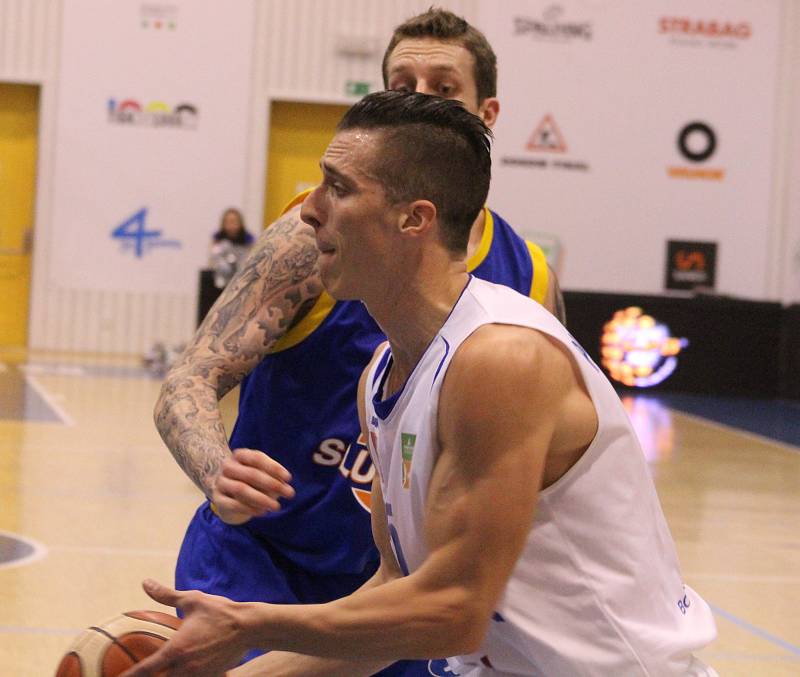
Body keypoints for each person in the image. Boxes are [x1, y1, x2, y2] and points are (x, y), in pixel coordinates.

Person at [124, 91, 717, 677]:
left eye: (339, 188)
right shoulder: (381, 375)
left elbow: (452, 612)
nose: (309, 210)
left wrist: (250, 624)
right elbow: (397, 595)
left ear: (415, 219)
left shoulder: (500, 358)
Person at [154, 9, 563, 674]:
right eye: (402, 83)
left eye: (443, 86)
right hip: (263, 560)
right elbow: (191, 374)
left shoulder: (527, 279)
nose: (419, 100)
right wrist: (213, 464)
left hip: (400, 588)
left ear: (486, 113)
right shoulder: (309, 237)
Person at [208, 208, 255, 288]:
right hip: (222, 281)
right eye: (228, 222)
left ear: (240, 223)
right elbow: (213, 260)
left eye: (234, 221)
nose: (231, 225)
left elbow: (251, 259)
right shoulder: (218, 240)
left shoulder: (248, 240)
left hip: (242, 279)